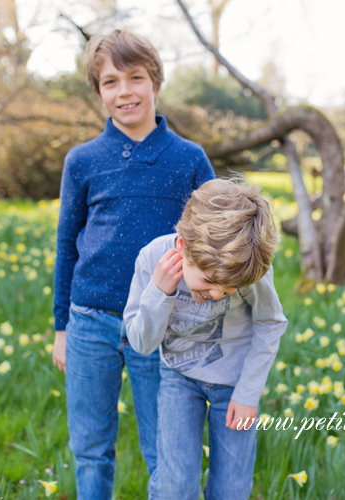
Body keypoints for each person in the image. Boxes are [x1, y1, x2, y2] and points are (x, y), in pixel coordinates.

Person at [52, 30, 215, 500]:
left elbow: (212, 237)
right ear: (98, 92)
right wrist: (62, 326)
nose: (124, 91)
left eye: (135, 78)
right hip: (89, 322)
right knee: (90, 447)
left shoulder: (188, 158)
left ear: (156, 83)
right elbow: (67, 246)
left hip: (160, 324)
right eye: (110, 82)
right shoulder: (82, 160)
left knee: (164, 450)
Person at [124, 178, 288, 500]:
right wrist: (160, 293)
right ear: (183, 247)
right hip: (179, 378)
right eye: (210, 281)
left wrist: (248, 394)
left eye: (229, 291)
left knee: (232, 489)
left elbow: (270, 321)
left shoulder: (246, 266)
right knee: (175, 487)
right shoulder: (151, 259)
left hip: (236, 385)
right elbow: (141, 344)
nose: (217, 294)